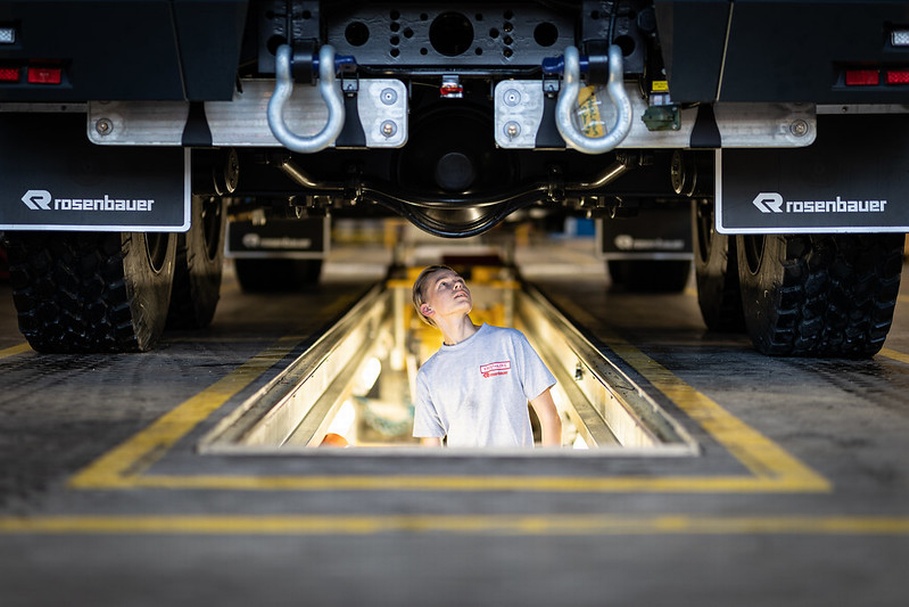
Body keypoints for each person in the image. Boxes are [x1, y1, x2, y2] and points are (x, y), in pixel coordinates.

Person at [410, 265, 562, 448]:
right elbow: (431, 445)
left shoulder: (509, 342)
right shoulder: (428, 374)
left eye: (459, 281)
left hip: (515, 467)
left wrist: (549, 466)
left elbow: (550, 417)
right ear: (427, 309)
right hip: (465, 467)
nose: (458, 285)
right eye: (443, 284)